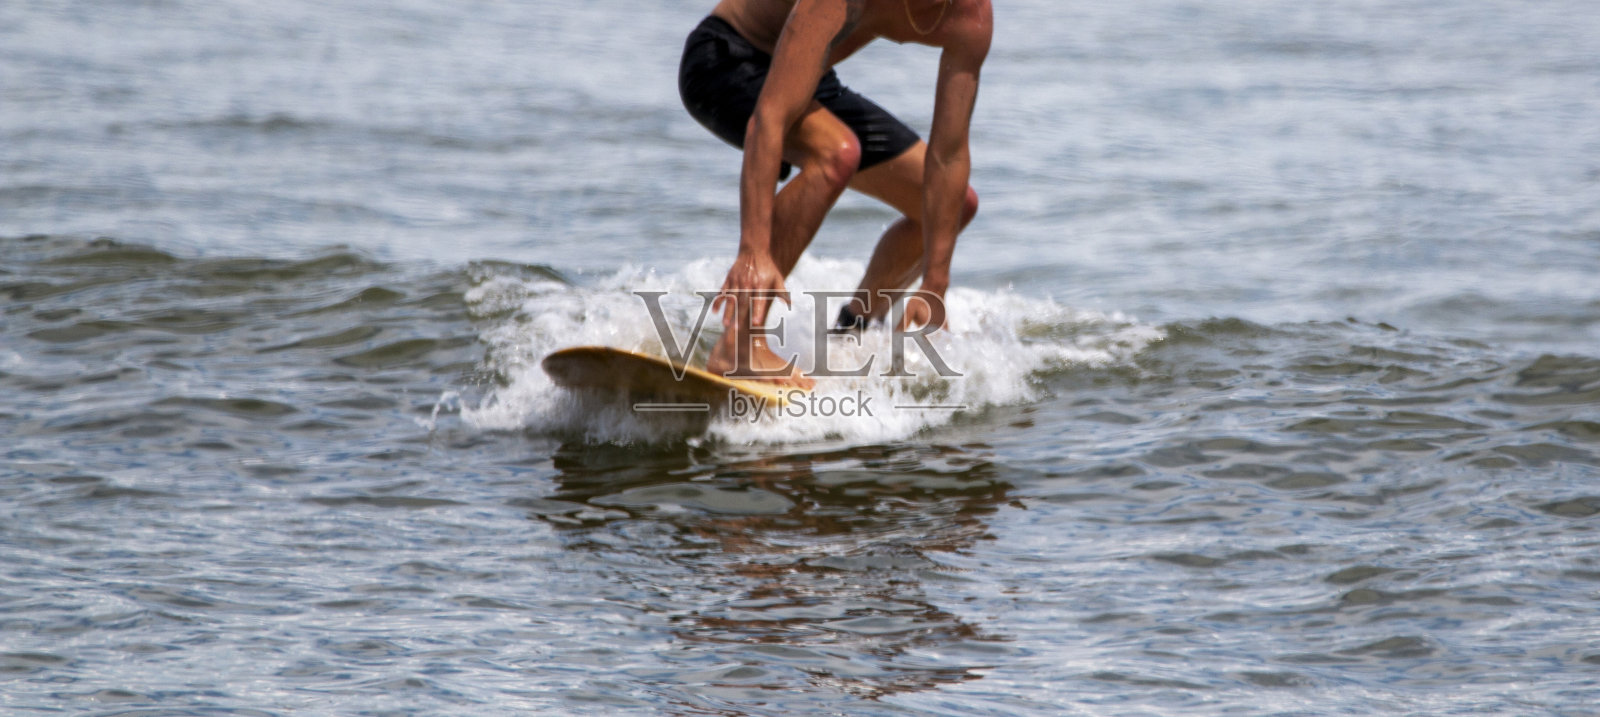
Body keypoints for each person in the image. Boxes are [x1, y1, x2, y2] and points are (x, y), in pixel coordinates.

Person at [679, 0, 990, 388]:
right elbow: (769, 117)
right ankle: (738, 344)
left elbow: (949, 154)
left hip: (809, 77)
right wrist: (753, 250)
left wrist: (935, 284)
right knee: (836, 153)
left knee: (954, 207)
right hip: (727, 59)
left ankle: (853, 332)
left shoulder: (971, 16)